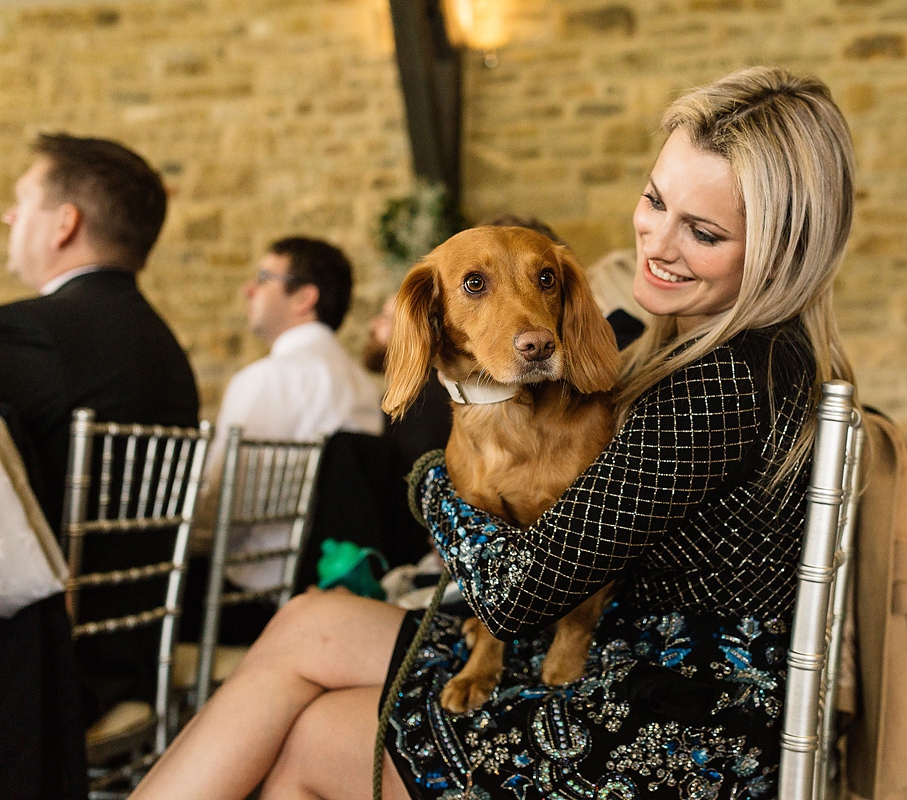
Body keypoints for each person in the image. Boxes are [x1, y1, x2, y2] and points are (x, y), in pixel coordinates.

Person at [131, 66, 858, 800]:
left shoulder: (723, 383)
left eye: (701, 232)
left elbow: (514, 597)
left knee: (315, 734)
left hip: (670, 720)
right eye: (654, 200)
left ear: (781, 246)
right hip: (633, 654)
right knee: (306, 623)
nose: (657, 243)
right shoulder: (724, 350)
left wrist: (436, 484)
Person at [0, 133, 200, 728]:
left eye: (21, 199)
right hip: (133, 656)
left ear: (64, 223)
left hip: (49, 673)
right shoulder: (165, 350)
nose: (8, 215)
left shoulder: (30, 334)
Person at [185, 237, 383, 642]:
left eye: (263, 278)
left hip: (250, 600)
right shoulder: (364, 387)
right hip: (331, 587)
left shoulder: (267, 379)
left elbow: (217, 520)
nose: (248, 289)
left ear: (304, 298)